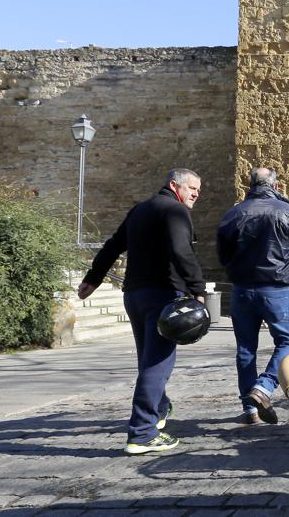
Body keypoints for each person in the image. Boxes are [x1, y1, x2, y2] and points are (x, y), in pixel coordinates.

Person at [78, 168, 205, 455]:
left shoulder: (140, 210)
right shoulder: (174, 210)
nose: (197, 194)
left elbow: (113, 246)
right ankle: (143, 433)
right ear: (175, 186)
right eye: (192, 188)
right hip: (162, 295)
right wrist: (198, 289)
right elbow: (181, 251)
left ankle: (159, 408)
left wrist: (93, 278)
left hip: (135, 295)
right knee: (158, 365)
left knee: (148, 360)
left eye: (199, 189)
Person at [217, 167, 289, 425]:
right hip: (276, 290)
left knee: (245, 350)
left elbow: (222, 256)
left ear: (249, 185)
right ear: (276, 187)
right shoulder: (288, 212)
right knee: (288, 342)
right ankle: (264, 387)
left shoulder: (233, 214)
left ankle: (250, 410)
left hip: (242, 290)